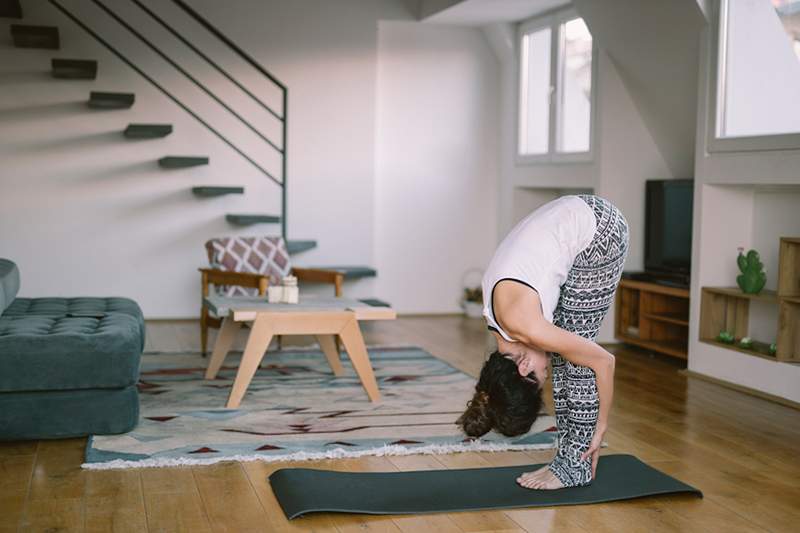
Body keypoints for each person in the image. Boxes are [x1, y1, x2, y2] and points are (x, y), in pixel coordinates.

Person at [457, 194, 629, 490]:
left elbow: (605, 361)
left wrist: (601, 425)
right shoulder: (499, 325)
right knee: (566, 352)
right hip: (579, 215)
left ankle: (576, 467)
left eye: (541, 377)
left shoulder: (527, 328)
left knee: (579, 362)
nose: (546, 374)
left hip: (601, 230)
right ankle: (566, 456)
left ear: (523, 367)